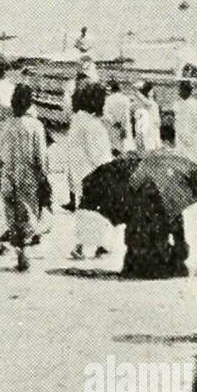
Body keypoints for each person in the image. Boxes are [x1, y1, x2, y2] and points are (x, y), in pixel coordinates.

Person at [0, 84, 51, 272]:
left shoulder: (5, 126)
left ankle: (18, 253)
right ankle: (25, 252)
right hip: (28, 177)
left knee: (11, 215)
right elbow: (40, 157)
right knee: (28, 215)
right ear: (30, 104)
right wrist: (44, 178)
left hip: (8, 175)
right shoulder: (36, 126)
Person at [67, 81, 114, 260]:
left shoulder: (77, 121)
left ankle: (88, 244)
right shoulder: (93, 126)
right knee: (99, 211)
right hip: (94, 173)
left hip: (79, 172)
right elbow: (98, 155)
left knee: (85, 212)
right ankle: (89, 245)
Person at [173, 79, 197, 162]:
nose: (179, 92)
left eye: (181, 89)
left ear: (187, 91)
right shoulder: (177, 104)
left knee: (193, 162)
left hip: (192, 139)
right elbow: (176, 122)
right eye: (179, 89)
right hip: (180, 139)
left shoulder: (196, 105)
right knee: (180, 162)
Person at [102, 79, 134, 152]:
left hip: (112, 126)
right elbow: (127, 114)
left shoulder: (108, 100)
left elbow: (106, 114)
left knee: (113, 147)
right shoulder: (125, 99)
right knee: (124, 147)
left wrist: (114, 122)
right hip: (124, 125)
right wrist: (123, 126)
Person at [131, 80, 162, 152]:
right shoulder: (148, 103)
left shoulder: (151, 103)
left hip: (151, 128)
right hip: (148, 128)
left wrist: (136, 91)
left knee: (150, 147)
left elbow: (145, 101)